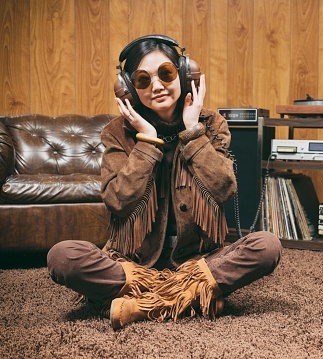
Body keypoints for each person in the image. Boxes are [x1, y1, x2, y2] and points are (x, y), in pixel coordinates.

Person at [47, 35, 282, 329]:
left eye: (166, 74)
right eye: (143, 80)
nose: (157, 86)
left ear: (184, 75)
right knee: (62, 258)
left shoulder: (210, 124)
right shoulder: (116, 132)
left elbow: (225, 188)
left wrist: (193, 131)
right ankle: (191, 298)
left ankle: (142, 306)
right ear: (130, 90)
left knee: (267, 246)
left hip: (199, 261)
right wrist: (146, 140)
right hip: (135, 264)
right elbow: (118, 201)